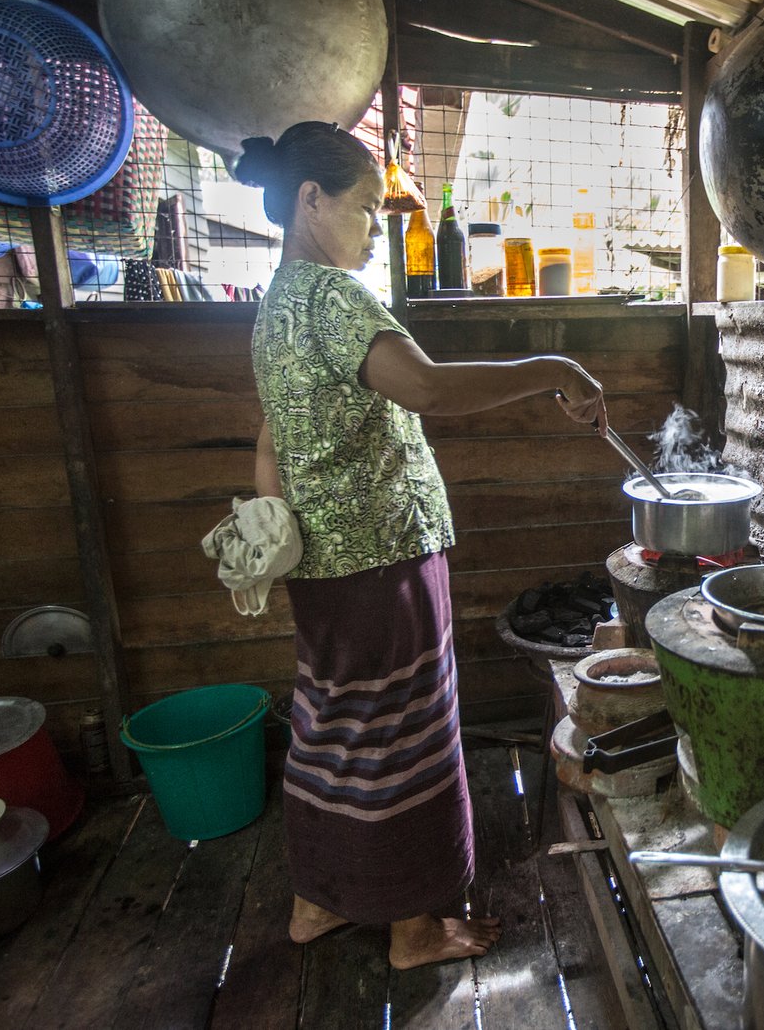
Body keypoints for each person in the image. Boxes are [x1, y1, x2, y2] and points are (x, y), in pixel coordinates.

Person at [234, 121, 607, 970]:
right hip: (384, 562)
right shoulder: (333, 298)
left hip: (322, 565)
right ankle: (413, 925)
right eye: (366, 211)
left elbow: (272, 438)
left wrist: (284, 530)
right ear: (311, 200)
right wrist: (553, 365)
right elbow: (429, 387)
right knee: (405, 732)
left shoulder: (275, 307)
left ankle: (317, 899)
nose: (373, 234)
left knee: (333, 726)